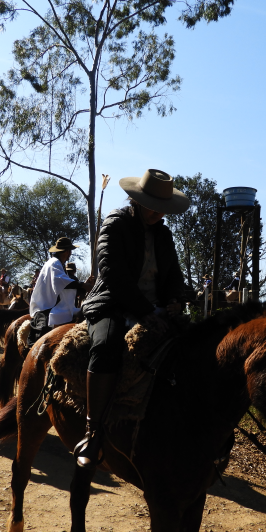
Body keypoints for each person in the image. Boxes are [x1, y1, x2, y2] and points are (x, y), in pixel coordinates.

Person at [75, 168, 189, 470]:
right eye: (153, 206)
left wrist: (176, 300)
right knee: (105, 346)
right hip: (113, 305)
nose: (158, 213)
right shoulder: (115, 223)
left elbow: (174, 276)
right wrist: (146, 312)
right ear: (136, 200)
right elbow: (113, 276)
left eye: (163, 208)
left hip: (156, 310)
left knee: (195, 349)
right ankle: (93, 433)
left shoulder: (164, 234)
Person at [28, 237, 92, 345]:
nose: (70, 254)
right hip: (47, 307)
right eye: (70, 251)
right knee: (40, 343)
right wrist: (83, 285)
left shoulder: (59, 265)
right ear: (67, 252)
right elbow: (59, 282)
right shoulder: (54, 263)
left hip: (57, 306)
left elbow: (65, 286)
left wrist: (83, 285)